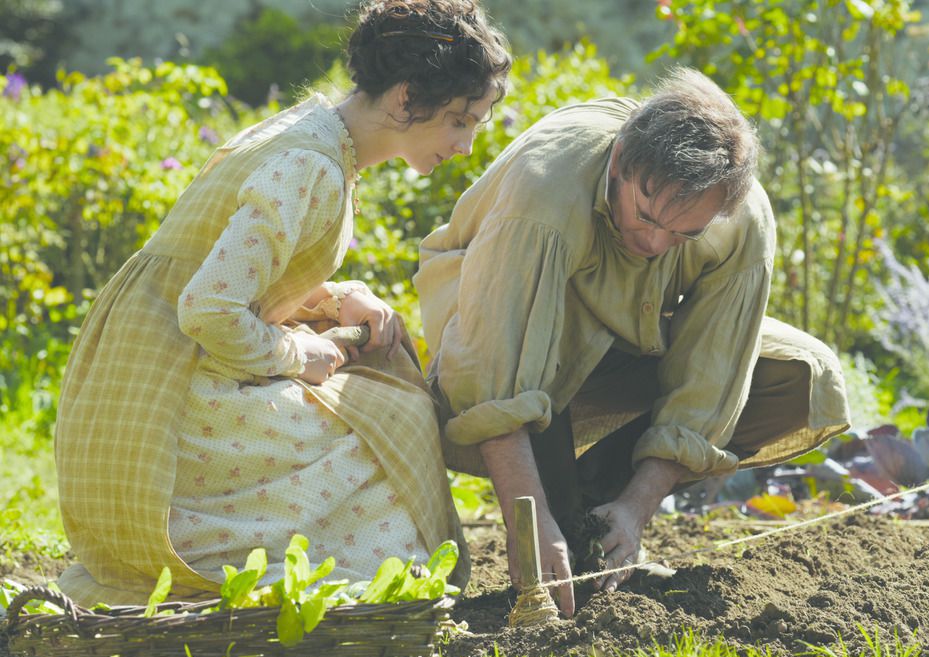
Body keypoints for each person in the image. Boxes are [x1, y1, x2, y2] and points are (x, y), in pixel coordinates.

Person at [54, 0, 510, 606]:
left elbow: (236, 270)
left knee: (383, 394)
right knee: (389, 417)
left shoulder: (313, 135)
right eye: (459, 120)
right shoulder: (309, 164)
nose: (465, 145)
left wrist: (335, 297)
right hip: (161, 397)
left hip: (147, 363)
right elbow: (209, 308)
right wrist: (297, 352)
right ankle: (362, 587)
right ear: (405, 99)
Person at [414, 67, 851, 617]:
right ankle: (562, 525)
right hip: (506, 330)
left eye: (683, 234)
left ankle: (598, 521)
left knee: (802, 375)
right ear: (620, 162)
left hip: (636, 335)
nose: (654, 243)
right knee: (541, 359)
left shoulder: (740, 219)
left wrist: (637, 506)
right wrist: (530, 523)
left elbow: (714, 370)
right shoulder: (546, 190)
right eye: (644, 217)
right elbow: (494, 365)